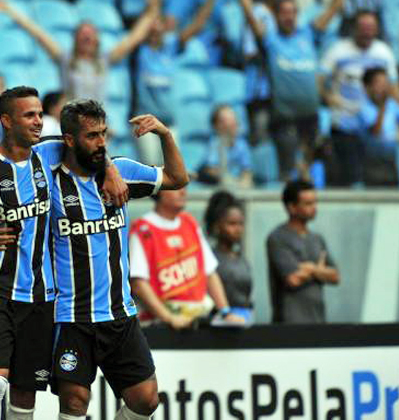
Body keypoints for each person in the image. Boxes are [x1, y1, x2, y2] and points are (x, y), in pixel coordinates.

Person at [0, 87, 128, 420]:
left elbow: (91, 146)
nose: (39, 121)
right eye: (29, 115)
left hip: (41, 297)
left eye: (40, 114)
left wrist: (110, 168)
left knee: (25, 394)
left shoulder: (49, 153)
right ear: (6, 120)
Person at [50, 101, 189, 420]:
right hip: (71, 315)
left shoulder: (122, 170)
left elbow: (177, 178)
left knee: (146, 400)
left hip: (118, 313)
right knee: (74, 403)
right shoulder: (49, 180)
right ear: (69, 140)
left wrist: (164, 135)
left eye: (104, 134)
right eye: (92, 136)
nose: (101, 142)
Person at [234, 0, 351, 181]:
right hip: (285, 116)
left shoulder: (308, 33)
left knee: (313, 166)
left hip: (311, 114)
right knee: (287, 170)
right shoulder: (270, 39)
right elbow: (249, 12)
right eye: (283, 12)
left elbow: (334, 6)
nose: (288, 16)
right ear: (275, 16)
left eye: (292, 12)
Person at [0, 0, 163, 103]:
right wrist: (11, 11)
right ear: (75, 39)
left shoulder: (105, 60)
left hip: (98, 125)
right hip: (73, 125)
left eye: (90, 35)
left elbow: (135, 37)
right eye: (82, 34)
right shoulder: (66, 59)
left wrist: (155, 0)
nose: (87, 38)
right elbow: (38, 34)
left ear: (97, 40)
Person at [135, 0, 226, 164]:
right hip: (145, 122)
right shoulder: (139, 50)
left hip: (169, 124)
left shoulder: (171, 46)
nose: (155, 29)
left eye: (159, 25)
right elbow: (147, 17)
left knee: (172, 174)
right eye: (152, 27)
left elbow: (198, 24)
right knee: (149, 175)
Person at [129, 187, 245, 330]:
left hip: (197, 322)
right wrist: (169, 317)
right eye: (176, 188)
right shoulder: (143, 229)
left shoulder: (189, 222)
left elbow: (210, 273)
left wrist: (225, 312)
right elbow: (139, 283)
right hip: (159, 326)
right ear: (159, 191)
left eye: (184, 187)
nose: (183, 192)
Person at [320, 10, 399, 186]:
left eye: (371, 27)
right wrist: (328, 98)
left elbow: (394, 88)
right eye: (363, 27)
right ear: (354, 28)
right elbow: (319, 81)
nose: (367, 32)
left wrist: (395, 116)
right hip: (346, 125)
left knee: (377, 178)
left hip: (373, 128)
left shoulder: (383, 52)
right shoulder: (338, 50)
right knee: (349, 178)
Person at [266, 180, 340, 324]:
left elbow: (335, 276)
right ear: (292, 207)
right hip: (289, 324)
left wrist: (311, 269)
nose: (314, 208)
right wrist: (320, 270)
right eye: (308, 204)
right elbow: (293, 279)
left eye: (315, 203)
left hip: (318, 320)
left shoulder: (317, 239)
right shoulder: (278, 238)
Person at [241, 0, 280, 143]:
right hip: (260, 92)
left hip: (280, 90)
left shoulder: (282, 14)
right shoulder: (257, 13)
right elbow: (249, 53)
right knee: (262, 143)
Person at [359, 67, 399, 186]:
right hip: (372, 163)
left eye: (386, 83)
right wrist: (382, 106)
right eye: (379, 83)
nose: (384, 88)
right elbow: (376, 131)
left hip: (392, 162)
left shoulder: (392, 105)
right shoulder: (363, 108)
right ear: (368, 87)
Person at [204, 190, 253, 310]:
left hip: (243, 319)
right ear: (217, 226)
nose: (238, 229)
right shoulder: (210, 260)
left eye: (241, 224)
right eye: (232, 224)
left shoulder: (241, 258)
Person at [195, 105, 253, 188]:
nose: (233, 123)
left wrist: (244, 182)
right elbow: (211, 169)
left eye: (234, 118)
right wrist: (228, 180)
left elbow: (247, 171)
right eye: (226, 120)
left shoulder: (242, 145)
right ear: (216, 126)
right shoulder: (214, 144)